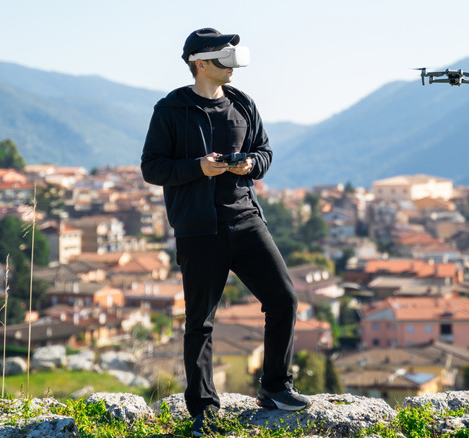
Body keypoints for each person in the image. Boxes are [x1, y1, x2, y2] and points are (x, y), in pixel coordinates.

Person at [140, 28, 311, 436]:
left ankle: (275, 387)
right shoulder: (171, 109)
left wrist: (252, 164)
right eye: (223, 57)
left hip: (246, 220)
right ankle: (203, 408)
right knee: (200, 322)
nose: (232, 65)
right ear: (200, 63)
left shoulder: (242, 103)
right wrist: (198, 168)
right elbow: (152, 168)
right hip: (199, 229)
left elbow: (265, 151)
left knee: (284, 299)